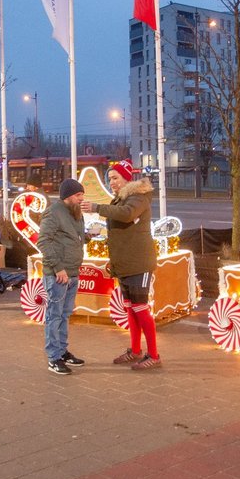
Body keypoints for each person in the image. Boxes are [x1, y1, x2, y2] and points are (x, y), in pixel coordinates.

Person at [82, 159, 161, 370]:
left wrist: (97, 208)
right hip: (125, 262)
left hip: (138, 262)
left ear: (127, 178)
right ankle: (135, 351)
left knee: (141, 309)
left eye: (115, 178)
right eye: (110, 179)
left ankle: (153, 354)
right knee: (131, 309)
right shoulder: (122, 199)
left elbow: (127, 216)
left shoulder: (139, 197)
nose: (112, 183)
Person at [38, 179, 87, 375]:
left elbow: (71, 237)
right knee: (54, 315)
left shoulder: (75, 212)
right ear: (68, 196)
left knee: (65, 314)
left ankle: (62, 351)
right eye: (78, 195)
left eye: (82, 194)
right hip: (58, 274)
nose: (82, 198)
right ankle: (53, 357)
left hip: (73, 272)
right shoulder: (54, 212)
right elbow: (44, 241)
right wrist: (58, 268)